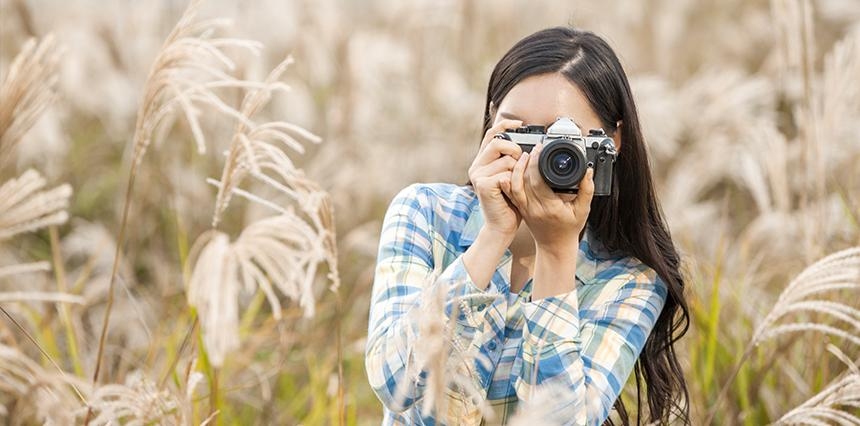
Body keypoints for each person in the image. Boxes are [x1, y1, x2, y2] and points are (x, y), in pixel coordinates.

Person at [365, 26, 689, 425]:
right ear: (491, 124)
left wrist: (556, 251)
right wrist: (492, 237)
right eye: (521, 131)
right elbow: (393, 383)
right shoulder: (425, 214)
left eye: (561, 138)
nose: (539, 155)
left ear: (611, 142)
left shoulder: (628, 279)